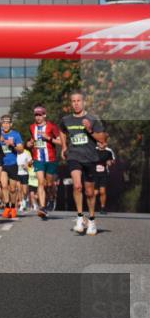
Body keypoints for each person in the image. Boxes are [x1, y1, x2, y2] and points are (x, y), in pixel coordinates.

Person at [59, 92, 106, 236]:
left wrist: (90, 130)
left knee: (90, 192)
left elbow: (102, 138)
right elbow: (62, 131)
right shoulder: (66, 120)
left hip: (90, 158)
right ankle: (79, 217)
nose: (76, 103)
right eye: (73, 101)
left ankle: (91, 220)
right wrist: (64, 147)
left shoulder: (92, 119)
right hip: (74, 156)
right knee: (77, 185)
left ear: (84, 102)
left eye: (78, 100)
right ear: (71, 103)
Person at [26, 105, 61, 220]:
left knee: (49, 184)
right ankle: (42, 207)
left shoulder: (52, 127)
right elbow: (31, 141)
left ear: (44, 115)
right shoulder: (32, 127)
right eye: (36, 115)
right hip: (38, 159)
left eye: (40, 115)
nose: (38, 117)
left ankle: (51, 198)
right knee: (41, 182)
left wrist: (49, 138)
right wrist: (29, 144)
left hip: (50, 159)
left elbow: (60, 141)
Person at [0, 115, 23, 216]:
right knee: (4, 186)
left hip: (12, 163)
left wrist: (12, 145)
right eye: (4, 122)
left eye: (8, 123)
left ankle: (13, 207)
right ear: (1, 124)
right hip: (1, 163)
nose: (5, 125)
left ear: (11, 124)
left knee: (12, 189)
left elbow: (21, 150)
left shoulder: (16, 135)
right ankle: (7, 206)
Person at [95, 140, 115, 216]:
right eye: (99, 142)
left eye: (103, 142)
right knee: (95, 192)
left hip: (104, 173)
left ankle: (102, 208)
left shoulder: (109, 151)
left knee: (102, 191)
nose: (101, 144)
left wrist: (110, 162)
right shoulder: (94, 150)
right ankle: (92, 207)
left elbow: (113, 161)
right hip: (94, 174)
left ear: (106, 143)